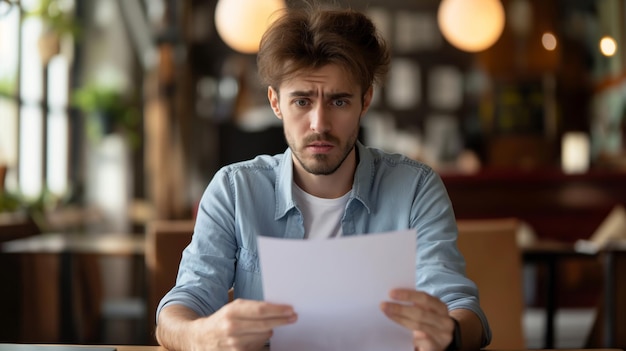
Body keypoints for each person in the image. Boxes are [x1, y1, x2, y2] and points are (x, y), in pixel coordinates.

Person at [155, 5, 491, 351]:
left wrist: (449, 334)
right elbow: (181, 307)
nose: (319, 124)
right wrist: (200, 335)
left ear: (365, 100)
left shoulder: (415, 188)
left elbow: (464, 310)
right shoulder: (234, 190)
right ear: (275, 103)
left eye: (339, 102)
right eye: (301, 101)